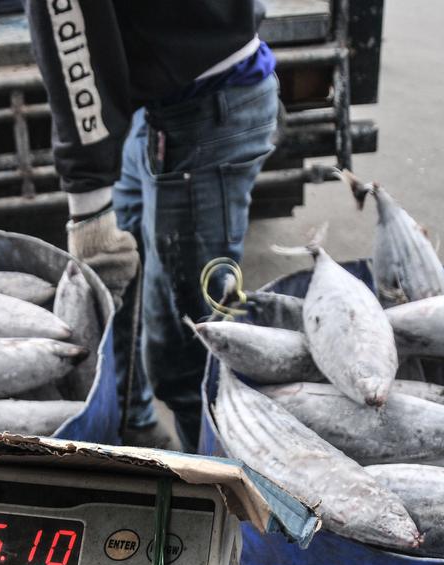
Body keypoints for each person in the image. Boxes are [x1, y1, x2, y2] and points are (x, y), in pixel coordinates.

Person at [25, 0, 280, 451]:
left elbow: (68, 26)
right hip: (154, 102)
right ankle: (136, 432)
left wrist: (88, 204)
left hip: (204, 107)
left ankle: (218, 497)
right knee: (115, 312)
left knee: (189, 359)